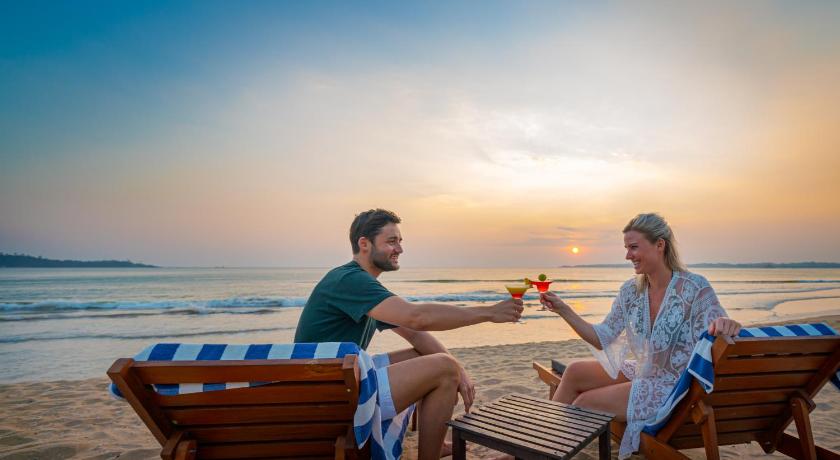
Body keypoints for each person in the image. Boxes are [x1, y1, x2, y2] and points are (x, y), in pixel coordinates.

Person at [294, 208, 524, 460]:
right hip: (331, 398)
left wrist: (461, 371)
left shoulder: (359, 284)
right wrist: (488, 313)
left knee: (429, 357)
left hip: (337, 383)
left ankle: (433, 445)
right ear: (364, 244)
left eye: (400, 241)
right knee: (443, 367)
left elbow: (415, 334)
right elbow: (418, 317)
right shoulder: (350, 281)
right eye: (392, 241)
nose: (400, 249)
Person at [539, 213, 741, 459]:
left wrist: (725, 324)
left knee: (585, 404)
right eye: (626, 248)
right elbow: (603, 336)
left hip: (675, 386)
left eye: (634, 247)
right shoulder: (631, 291)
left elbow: (720, 329)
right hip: (646, 370)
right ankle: (537, 444)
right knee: (574, 371)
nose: (627, 255)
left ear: (659, 244)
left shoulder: (695, 288)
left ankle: (541, 453)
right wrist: (563, 310)